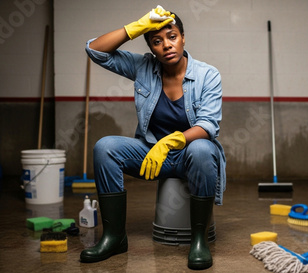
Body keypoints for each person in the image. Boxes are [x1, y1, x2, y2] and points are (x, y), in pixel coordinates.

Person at [80, 6, 226, 270]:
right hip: (150, 154)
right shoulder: (144, 66)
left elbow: (208, 124)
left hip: (189, 155)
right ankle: (114, 237)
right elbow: (95, 50)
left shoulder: (207, 75)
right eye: (157, 41)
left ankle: (199, 240)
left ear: (183, 37)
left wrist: (170, 142)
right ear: (150, 46)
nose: (166, 45)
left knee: (203, 148)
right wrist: (136, 26)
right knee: (105, 148)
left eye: (172, 36)